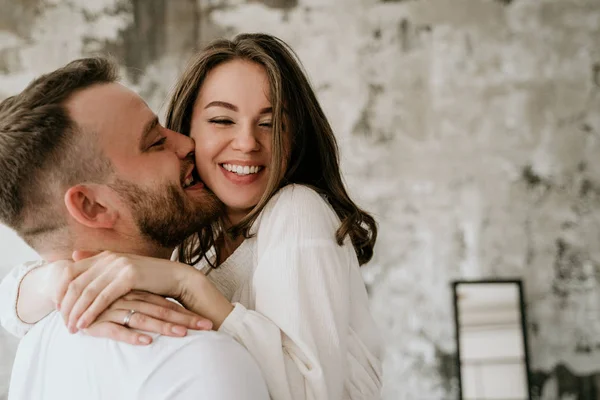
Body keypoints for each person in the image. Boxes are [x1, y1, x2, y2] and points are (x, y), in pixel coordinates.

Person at [1, 33, 383, 399]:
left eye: (270, 124)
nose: (248, 143)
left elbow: (310, 393)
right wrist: (60, 281)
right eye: (221, 120)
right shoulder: (193, 227)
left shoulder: (296, 210)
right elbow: (10, 304)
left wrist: (188, 285)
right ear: (189, 126)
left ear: (294, 135)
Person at [0, 57, 269, 400]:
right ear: (92, 206)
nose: (187, 144)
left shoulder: (34, 345)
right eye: (155, 142)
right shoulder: (197, 360)